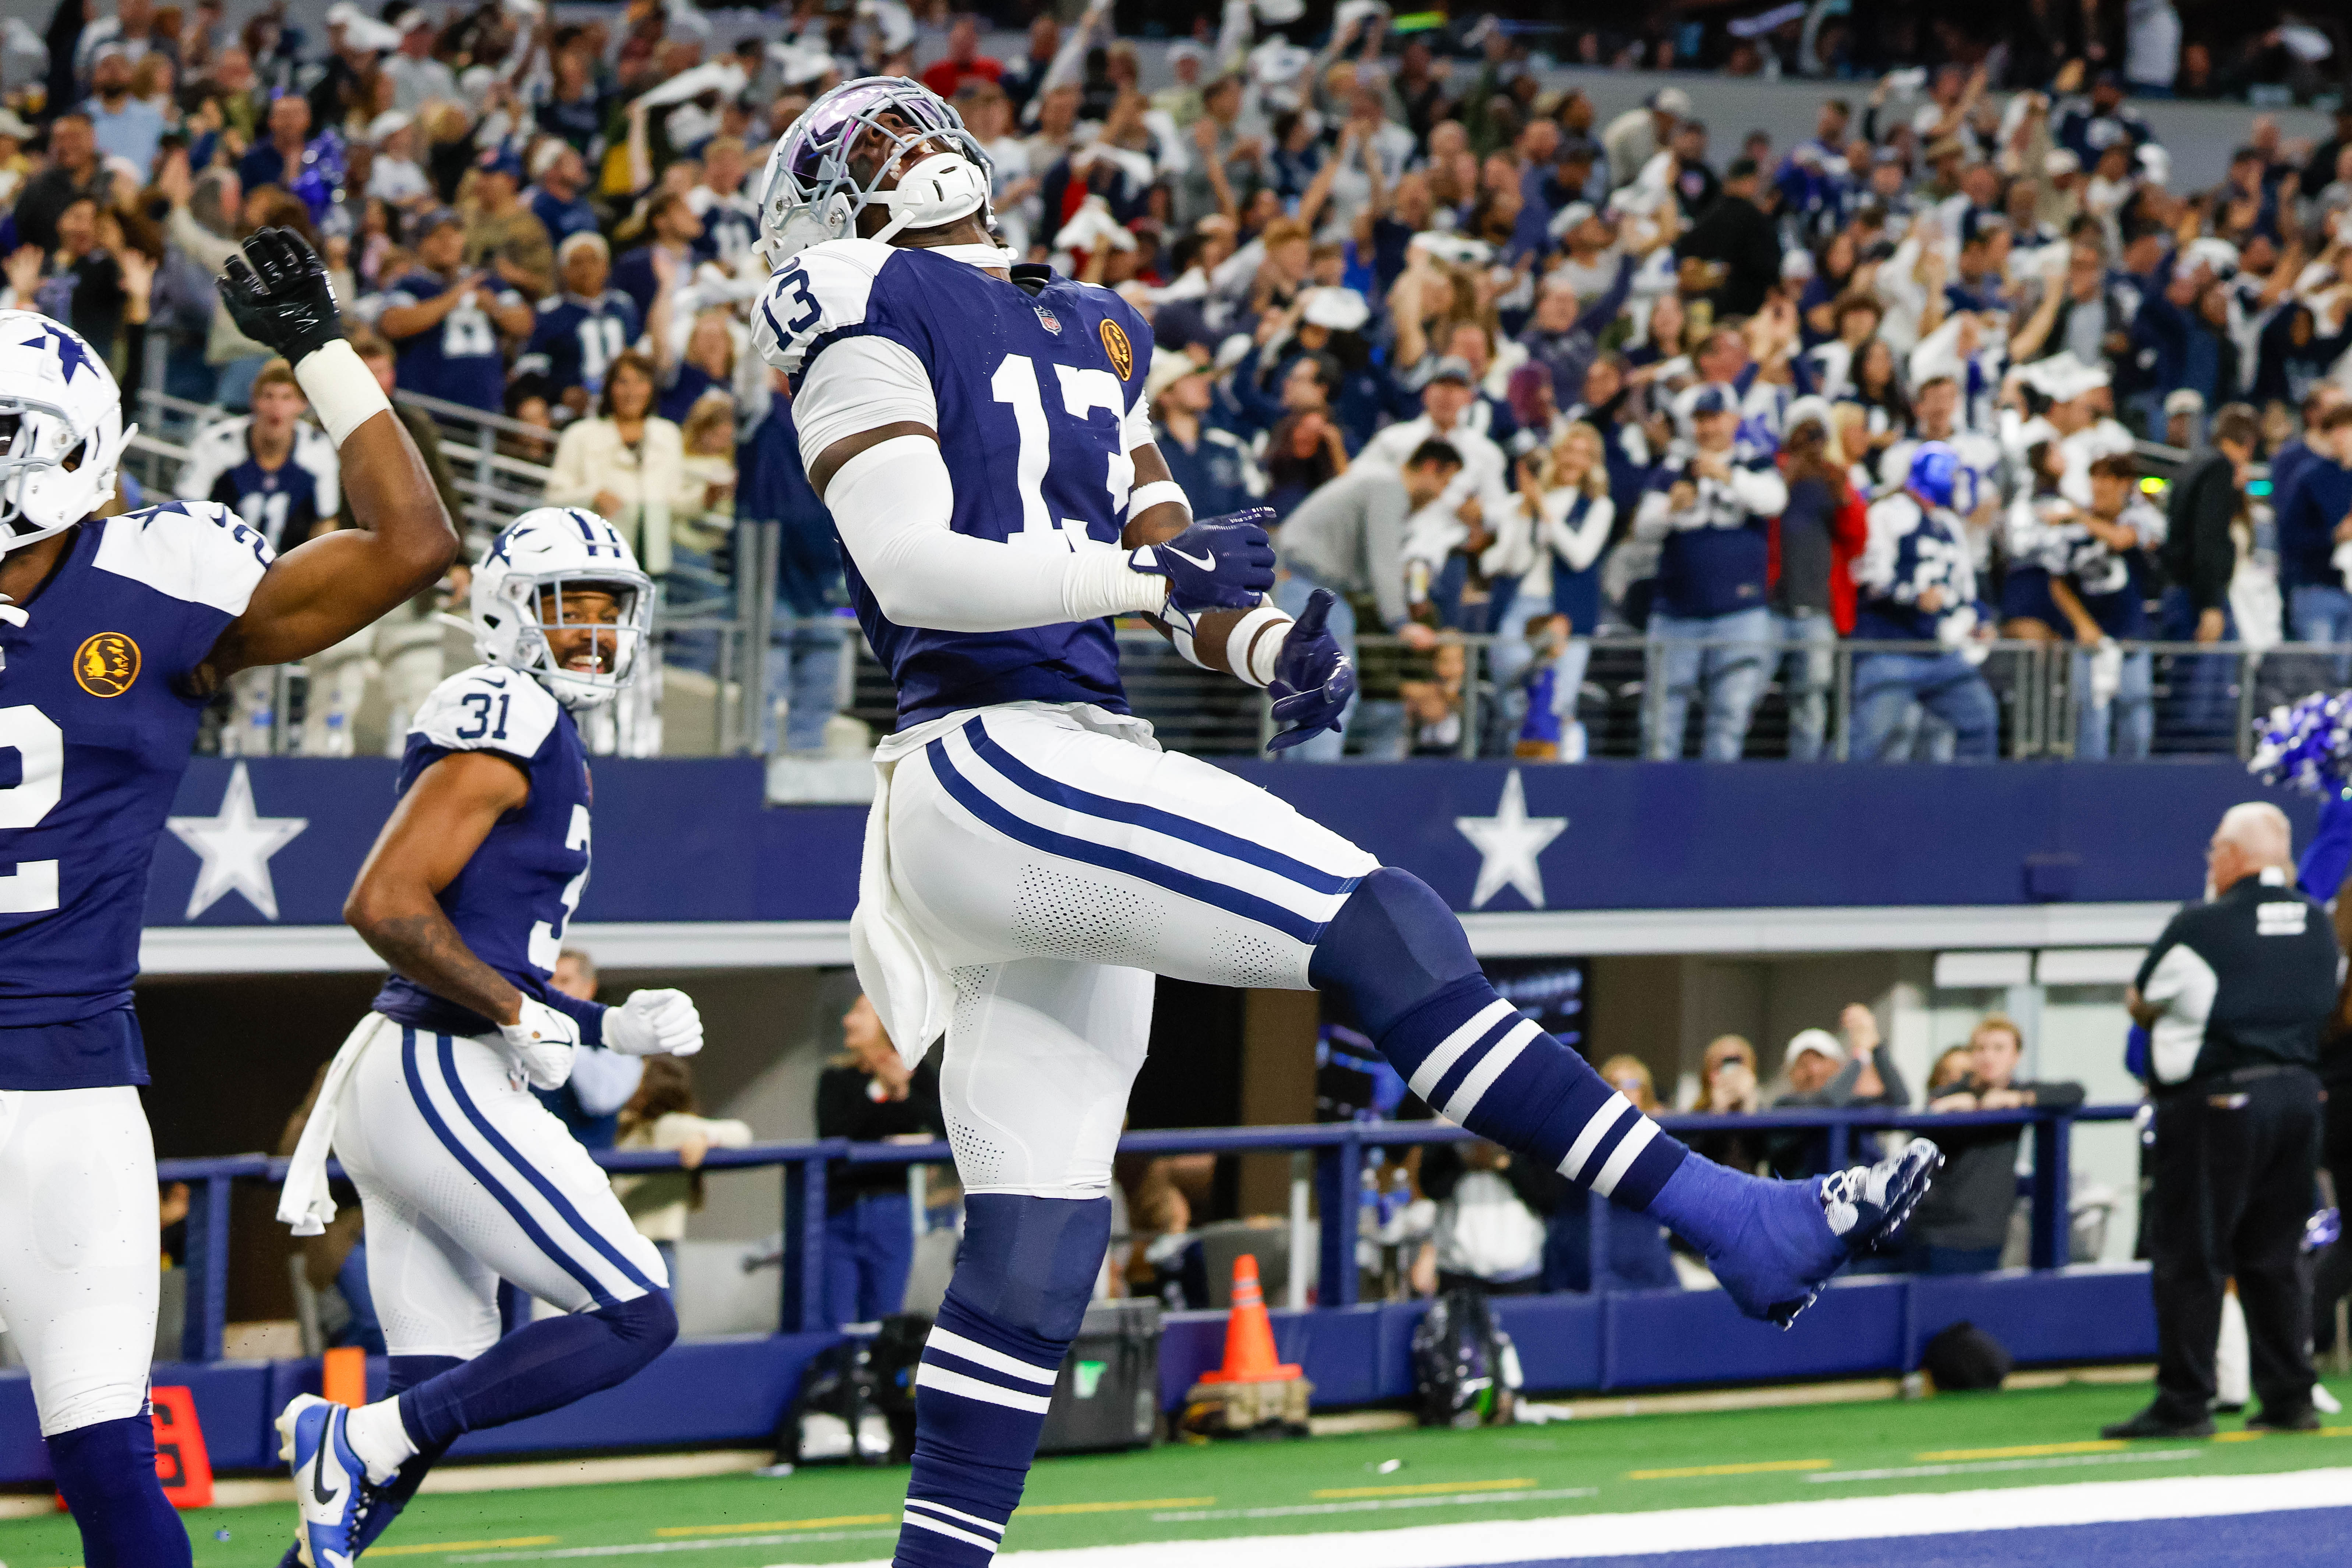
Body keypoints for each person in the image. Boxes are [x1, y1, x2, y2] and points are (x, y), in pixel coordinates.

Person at [748, 77, 1936, 1568]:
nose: (907, 166)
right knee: (1384, 923)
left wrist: (1258, 643)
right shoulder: (855, 302)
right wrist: (1146, 592)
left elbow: (1158, 549)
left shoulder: (1097, 323)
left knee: (1038, 1257)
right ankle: (1729, 1217)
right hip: (990, 760)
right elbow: (920, 572)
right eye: (889, 151)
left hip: (1052, 766)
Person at [0, 229, 458, 1568]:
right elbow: (411, 539)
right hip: (66, 1097)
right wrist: (315, 343)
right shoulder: (160, 582)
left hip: (67, 1090)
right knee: (108, 1468)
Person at [272, 508, 706, 1565]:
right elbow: (384, 903)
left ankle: (334, 1496)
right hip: (440, 1066)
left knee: (431, 1408)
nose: (596, 633)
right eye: (571, 609)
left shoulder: (541, 726)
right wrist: (524, 1013)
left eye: (612, 611)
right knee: (634, 1313)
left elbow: (484, 940)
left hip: (424, 1066)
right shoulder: (505, 707)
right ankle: (350, 1433)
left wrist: (604, 1023)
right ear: (511, 615)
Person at [2106, 803, 2338, 1440]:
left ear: (2234, 856)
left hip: (2217, 1105)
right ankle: (2291, 1398)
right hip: (2297, 1099)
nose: (2210, 860)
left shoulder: (2204, 926)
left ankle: (2185, 1402)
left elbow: (2141, 996)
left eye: (2215, 849)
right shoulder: (2319, 926)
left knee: (2192, 1254)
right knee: (2276, 1255)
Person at [1270, 445, 1456, 760]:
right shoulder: (1388, 488)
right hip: (1310, 590)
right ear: (1429, 468)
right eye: (1445, 482)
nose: (1441, 494)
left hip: (1307, 588)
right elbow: (1382, 560)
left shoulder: (1375, 483)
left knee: (1314, 695)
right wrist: (1400, 622)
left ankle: (1301, 785)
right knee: (1331, 692)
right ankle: (1316, 787)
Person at [1634, 384, 1787, 762]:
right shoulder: (1675, 467)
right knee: (1661, 720)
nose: (1708, 428)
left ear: (1734, 420)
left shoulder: (1753, 461)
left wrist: (1728, 477)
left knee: (1730, 717)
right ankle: (1658, 804)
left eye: (1715, 418)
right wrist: (1670, 509)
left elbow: (1775, 502)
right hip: (1676, 612)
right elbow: (1642, 528)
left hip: (1740, 613)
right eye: (1701, 419)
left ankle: (1717, 805)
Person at [1851, 443, 1999, 761]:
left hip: (1941, 652)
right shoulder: (1888, 512)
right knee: (1867, 743)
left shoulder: (1949, 524)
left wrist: (1981, 619)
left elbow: (1965, 587)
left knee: (1981, 719)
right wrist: (1913, 597)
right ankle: (1830, 805)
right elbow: (1871, 577)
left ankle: (1968, 806)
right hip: (1894, 648)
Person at [1904, 1015, 2084, 1274]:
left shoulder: (2019, 1093)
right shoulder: (1950, 1095)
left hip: (1988, 1233)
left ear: (2016, 1056)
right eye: (1981, 1049)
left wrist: (2021, 1099)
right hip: (1935, 1232)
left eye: (1999, 1049)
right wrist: (1953, 1110)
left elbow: (2075, 1092)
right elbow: (1919, 1139)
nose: (1989, 1057)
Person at [816, 994, 943, 1327]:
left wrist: (903, 1094)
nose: (847, 1021)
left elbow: (944, 1127)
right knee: (836, 1325)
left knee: (884, 1322)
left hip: (891, 1210)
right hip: (838, 1212)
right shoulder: (836, 1079)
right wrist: (880, 1091)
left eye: (858, 1012)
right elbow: (835, 1133)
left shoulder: (915, 1074)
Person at [2157, 402, 2257, 747]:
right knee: (2202, 702)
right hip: (2198, 597)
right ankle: (2193, 776)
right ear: (2249, 445)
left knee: (2191, 693)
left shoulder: (2194, 465)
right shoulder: (2218, 469)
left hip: (2185, 592)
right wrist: (2211, 605)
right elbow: (2209, 540)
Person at [375, 208, 534, 415]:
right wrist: (454, 297)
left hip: (485, 409)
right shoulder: (410, 285)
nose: (447, 242)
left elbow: (525, 325)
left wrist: (495, 309)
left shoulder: (487, 283)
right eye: (438, 236)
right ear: (421, 243)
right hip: (429, 410)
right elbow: (392, 324)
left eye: (454, 235)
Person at [173, 356, 339, 551]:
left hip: (290, 567)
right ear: (255, 401)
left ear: (302, 404)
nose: (276, 407)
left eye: (287, 397)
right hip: (220, 560)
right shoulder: (217, 443)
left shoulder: (318, 449)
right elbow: (186, 513)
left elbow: (326, 523)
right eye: (268, 396)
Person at [613, 1056, 753, 1280]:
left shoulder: (670, 1125)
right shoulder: (632, 1125)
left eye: (637, 1077)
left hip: (653, 1247)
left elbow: (741, 1133)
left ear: (651, 1089)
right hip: (620, 1245)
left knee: (656, 1314)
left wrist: (705, 1138)